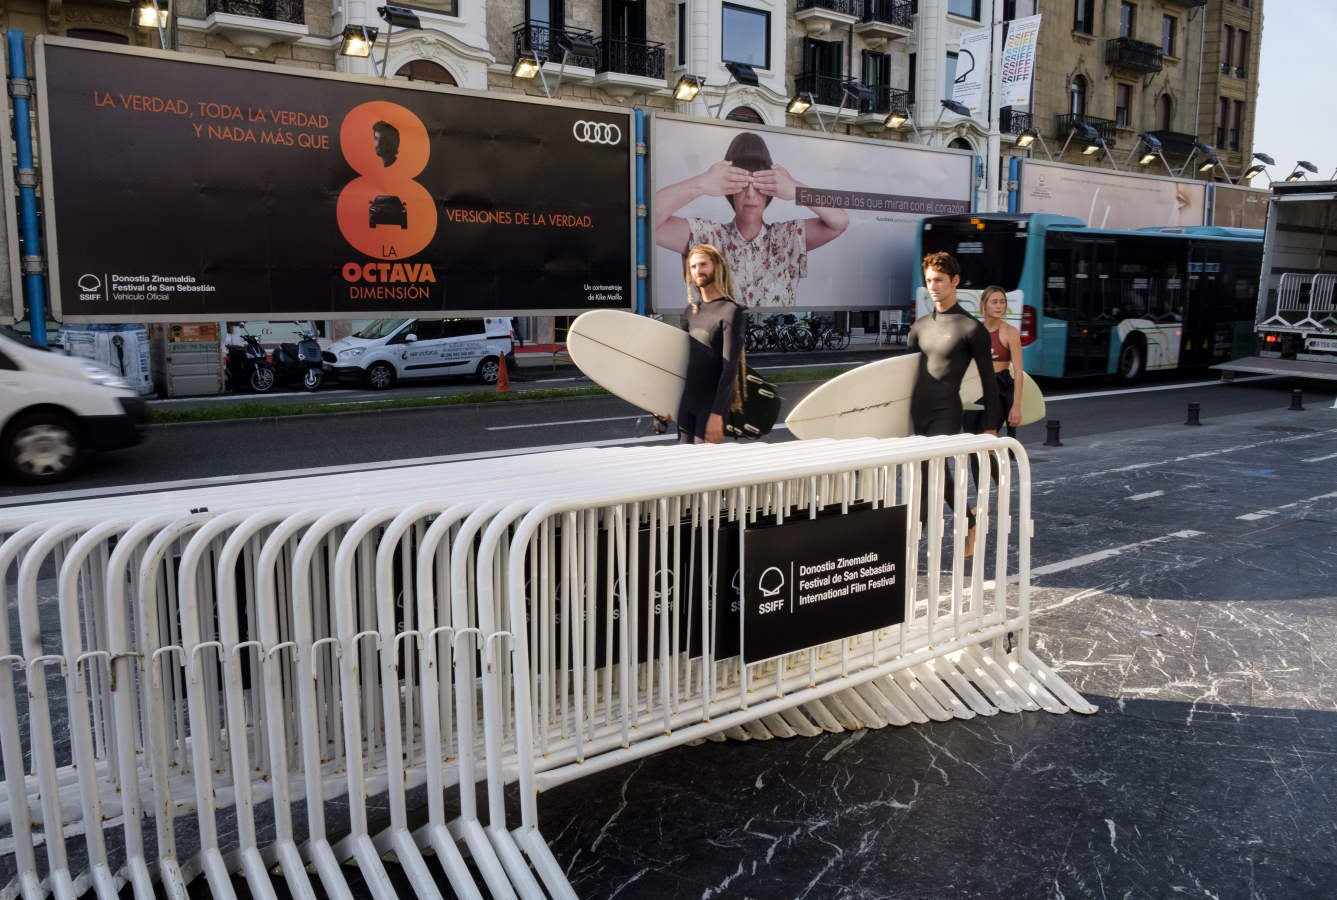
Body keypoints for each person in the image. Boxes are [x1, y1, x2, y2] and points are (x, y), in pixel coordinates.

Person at [654, 131, 848, 308]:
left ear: (770, 191)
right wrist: (701, 184)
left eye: (759, 184)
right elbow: (647, 221)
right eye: (742, 184)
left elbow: (839, 222)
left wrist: (797, 190)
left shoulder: (787, 238)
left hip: (776, 345)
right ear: (730, 190)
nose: (751, 195)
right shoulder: (708, 237)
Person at [908, 252, 999, 555]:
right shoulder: (920, 326)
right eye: (929, 281)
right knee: (931, 472)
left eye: (939, 280)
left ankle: (911, 542)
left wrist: (990, 427)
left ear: (955, 281)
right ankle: (971, 520)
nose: (933, 286)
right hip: (918, 410)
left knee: (928, 472)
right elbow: (900, 375)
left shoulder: (971, 328)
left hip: (946, 409)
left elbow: (989, 381)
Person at [657, 244, 746, 444]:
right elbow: (680, 363)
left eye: (703, 264)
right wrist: (662, 403)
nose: (698, 271)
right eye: (693, 267)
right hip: (687, 403)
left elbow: (729, 369)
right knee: (685, 467)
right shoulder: (690, 312)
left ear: (716, 266)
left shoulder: (731, 311)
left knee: (706, 469)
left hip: (710, 407)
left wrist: (717, 414)